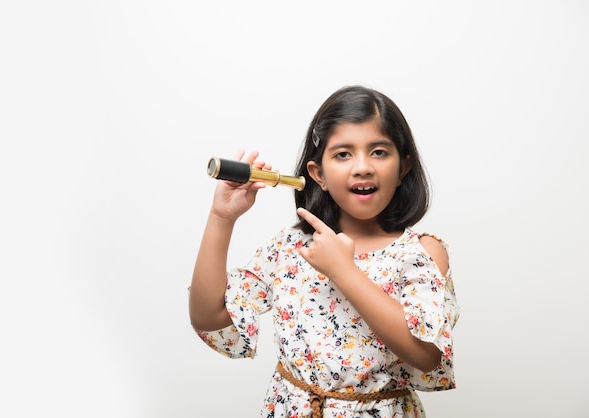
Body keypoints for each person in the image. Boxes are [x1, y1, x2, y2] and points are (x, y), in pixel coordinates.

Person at [189, 85, 460, 417]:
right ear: (318, 175)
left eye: (378, 151)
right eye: (343, 154)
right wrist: (222, 218)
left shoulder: (421, 253)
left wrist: (343, 271)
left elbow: (426, 353)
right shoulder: (290, 247)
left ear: (403, 167)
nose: (362, 167)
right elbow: (209, 318)